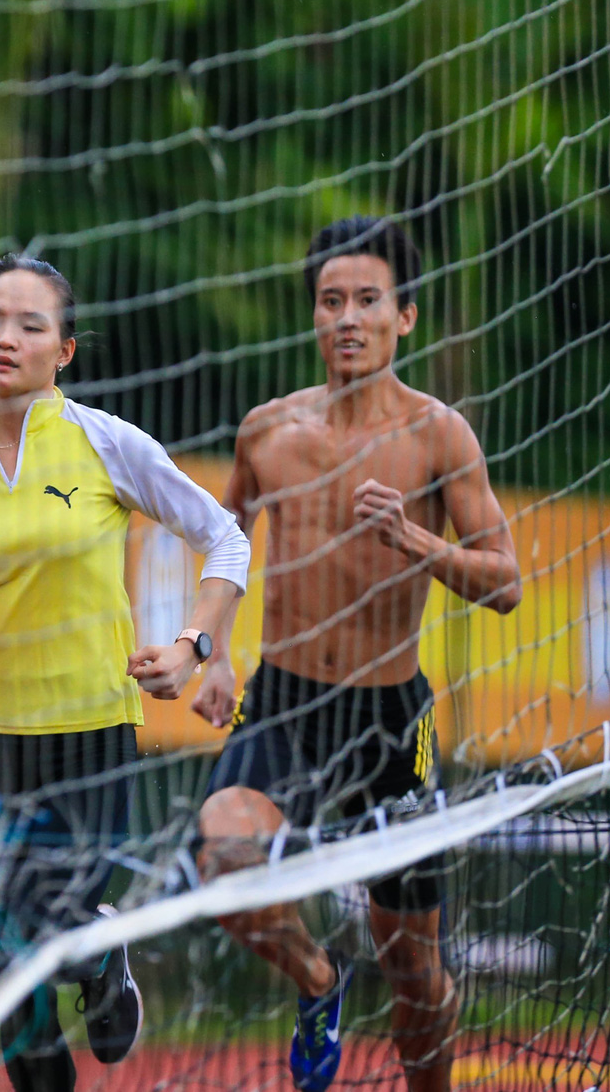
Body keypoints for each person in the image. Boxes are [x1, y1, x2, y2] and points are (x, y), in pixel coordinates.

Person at [0, 253, 248, 1092]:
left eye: (30, 324)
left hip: (88, 733)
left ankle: (100, 954)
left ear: (63, 351)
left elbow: (226, 538)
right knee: (1, 949)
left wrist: (191, 646)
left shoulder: (105, 442)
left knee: (51, 925)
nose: (5, 337)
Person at [193, 216, 521, 1092]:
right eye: (331, 300)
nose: (347, 317)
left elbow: (507, 582)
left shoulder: (440, 434)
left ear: (403, 316)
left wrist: (417, 540)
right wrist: (210, 648)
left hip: (389, 719)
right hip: (287, 703)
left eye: (368, 300)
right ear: (314, 314)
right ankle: (319, 981)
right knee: (223, 858)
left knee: (415, 971)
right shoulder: (268, 430)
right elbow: (226, 543)